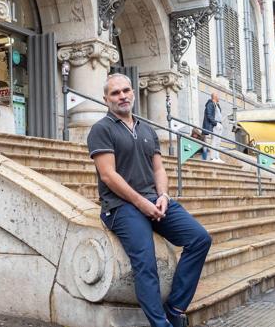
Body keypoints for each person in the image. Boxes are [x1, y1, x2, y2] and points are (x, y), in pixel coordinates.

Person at [87, 74, 212, 327]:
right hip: (119, 207)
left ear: (133, 92)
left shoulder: (146, 129)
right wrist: (140, 203)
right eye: (115, 93)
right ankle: (160, 323)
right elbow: (108, 176)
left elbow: (159, 170)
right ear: (106, 99)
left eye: (125, 90)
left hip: (154, 200)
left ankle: (175, 309)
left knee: (200, 239)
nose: (122, 96)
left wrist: (163, 195)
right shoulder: (101, 129)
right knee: (145, 261)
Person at [203, 93, 224, 163]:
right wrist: (215, 123)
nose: (219, 98)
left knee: (218, 142)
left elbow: (217, 115)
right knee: (214, 141)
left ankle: (217, 157)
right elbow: (209, 115)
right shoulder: (210, 104)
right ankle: (212, 158)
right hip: (215, 125)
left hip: (219, 124)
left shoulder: (217, 105)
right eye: (218, 96)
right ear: (215, 97)